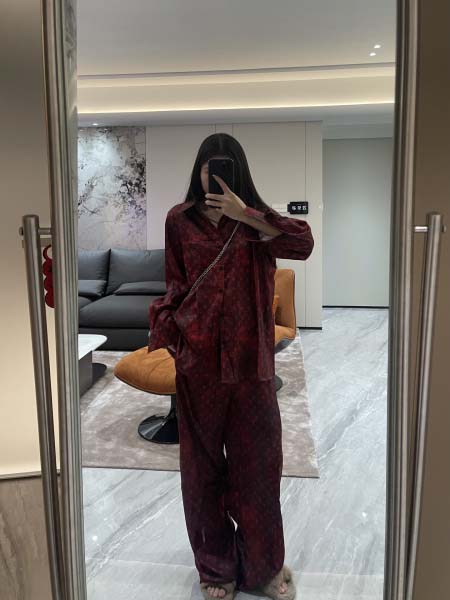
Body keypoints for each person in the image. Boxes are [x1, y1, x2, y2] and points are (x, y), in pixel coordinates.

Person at [148, 133, 314, 600]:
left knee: (259, 469)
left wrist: (248, 215)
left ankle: (262, 568)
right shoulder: (179, 221)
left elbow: (303, 243)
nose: (214, 175)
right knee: (201, 472)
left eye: (224, 166)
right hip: (198, 363)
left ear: (239, 171)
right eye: (208, 166)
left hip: (250, 365)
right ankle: (216, 568)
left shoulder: (258, 221)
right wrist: (178, 336)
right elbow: (176, 283)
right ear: (198, 171)